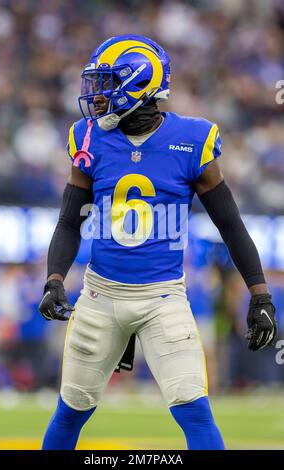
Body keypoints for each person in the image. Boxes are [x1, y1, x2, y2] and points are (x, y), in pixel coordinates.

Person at [38, 35, 276, 450]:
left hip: (163, 298)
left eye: (107, 82)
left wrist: (259, 294)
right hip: (100, 295)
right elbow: (68, 221)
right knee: (71, 409)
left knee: (194, 409)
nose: (96, 95)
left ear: (138, 85)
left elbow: (231, 225)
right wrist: (54, 278)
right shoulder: (90, 138)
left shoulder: (190, 140)